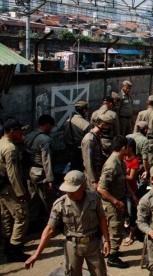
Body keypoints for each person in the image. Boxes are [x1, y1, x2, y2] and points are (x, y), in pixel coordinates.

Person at [24, 170, 110, 276]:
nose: (69, 193)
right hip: (72, 246)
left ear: (82, 187)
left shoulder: (94, 198)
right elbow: (50, 229)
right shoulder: (60, 204)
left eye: (73, 190)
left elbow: (102, 218)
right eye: (67, 190)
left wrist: (106, 240)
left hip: (93, 244)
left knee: (100, 273)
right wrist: (36, 254)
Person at [97, 135, 130, 268]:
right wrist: (115, 201)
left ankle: (112, 250)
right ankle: (112, 257)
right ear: (123, 148)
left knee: (117, 228)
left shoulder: (119, 161)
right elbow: (101, 188)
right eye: (128, 148)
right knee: (115, 229)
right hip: (111, 204)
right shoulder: (112, 164)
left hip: (118, 200)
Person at [0, 118, 30, 262]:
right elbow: (13, 174)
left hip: (2, 189)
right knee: (22, 216)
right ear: (12, 131)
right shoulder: (10, 149)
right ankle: (14, 249)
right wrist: (21, 193)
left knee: (6, 217)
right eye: (19, 130)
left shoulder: (1, 142)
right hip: (10, 189)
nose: (21, 133)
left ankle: (7, 246)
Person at [24, 114, 56, 213]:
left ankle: (32, 221)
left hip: (30, 172)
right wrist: (50, 179)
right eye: (51, 126)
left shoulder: (30, 135)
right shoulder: (45, 140)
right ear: (47, 125)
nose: (52, 128)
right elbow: (47, 160)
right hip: (40, 173)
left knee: (33, 198)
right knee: (48, 199)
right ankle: (54, 220)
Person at [81, 113, 113, 191]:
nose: (109, 128)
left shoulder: (97, 136)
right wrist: (93, 181)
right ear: (102, 124)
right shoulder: (89, 140)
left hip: (99, 171)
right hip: (93, 174)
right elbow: (88, 162)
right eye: (108, 126)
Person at [63, 100, 91, 171]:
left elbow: (65, 137)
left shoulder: (68, 121)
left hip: (69, 151)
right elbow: (89, 142)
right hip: (81, 153)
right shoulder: (86, 124)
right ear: (84, 110)